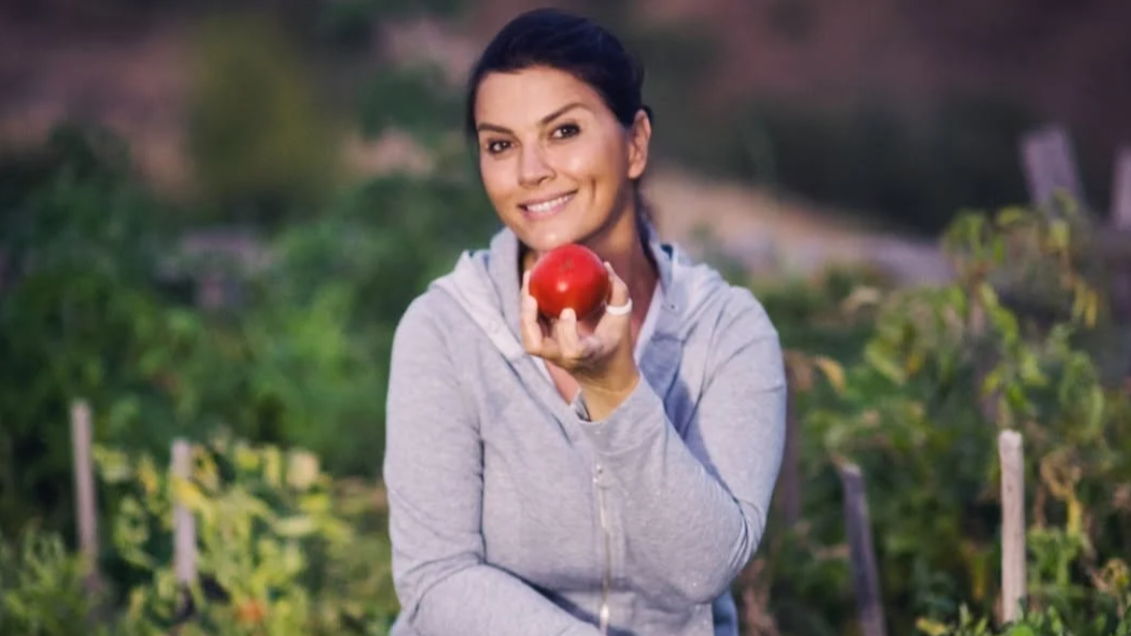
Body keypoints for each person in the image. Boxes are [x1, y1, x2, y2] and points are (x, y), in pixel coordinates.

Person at [382, 7, 787, 636]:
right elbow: (437, 578)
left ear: (635, 143)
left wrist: (615, 391)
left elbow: (705, 569)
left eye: (564, 131)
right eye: (500, 144)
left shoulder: (726, 333)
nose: (530, 171)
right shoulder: (444, 330)